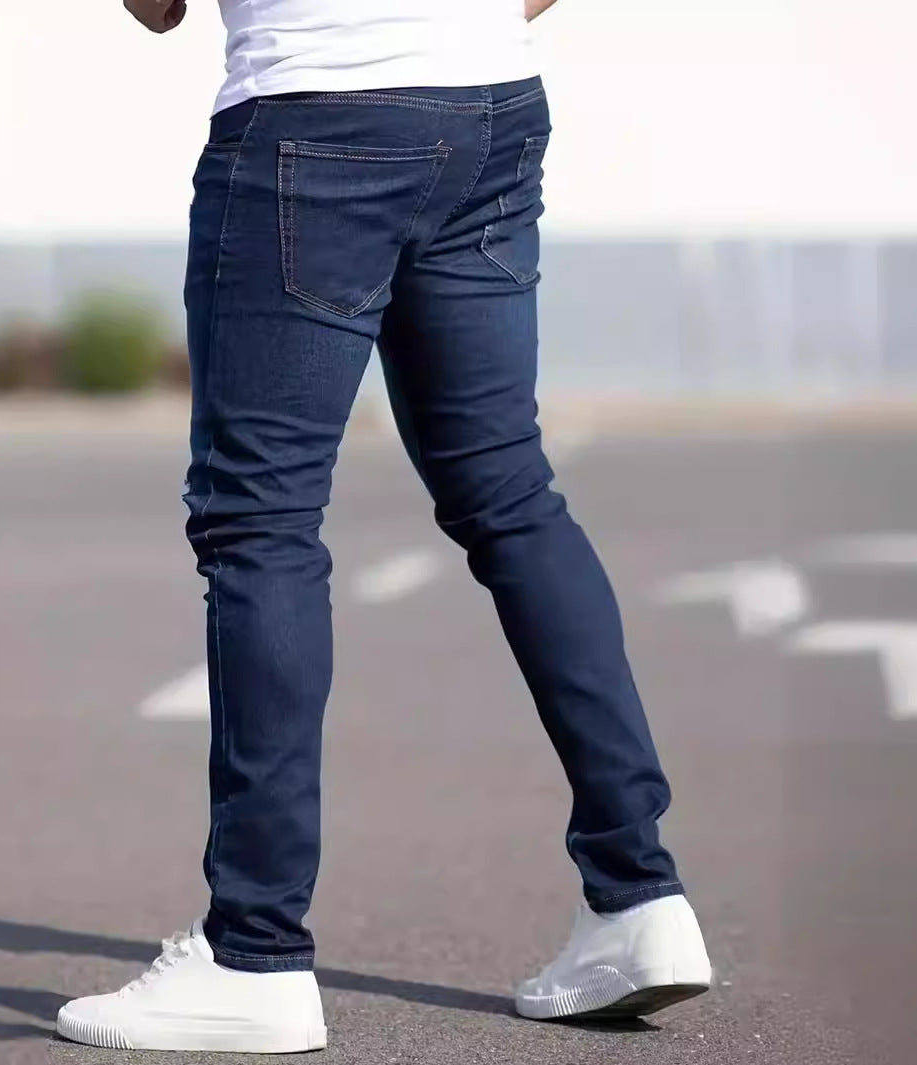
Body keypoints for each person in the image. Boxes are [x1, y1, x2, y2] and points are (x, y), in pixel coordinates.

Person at [56, 0, 712, 1052]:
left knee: (260, 525)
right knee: (511, 496)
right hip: (488, 105)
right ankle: (640, 897)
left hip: (313, 116)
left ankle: (254, 954)